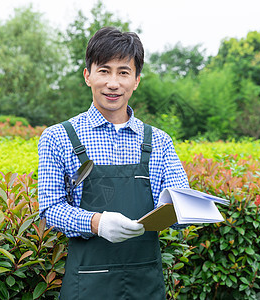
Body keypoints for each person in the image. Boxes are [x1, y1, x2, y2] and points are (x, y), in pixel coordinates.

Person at [38, 27, 189, 299]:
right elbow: (50, 209)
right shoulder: (58, 137)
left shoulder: (159, 141)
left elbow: (178, 203)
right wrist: (96, 222)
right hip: (87, 284)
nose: (113, 82)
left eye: (123, 72)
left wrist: (186, 210)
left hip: (145, 281)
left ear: (136, 80)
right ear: (88, 76)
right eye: (104, 71)